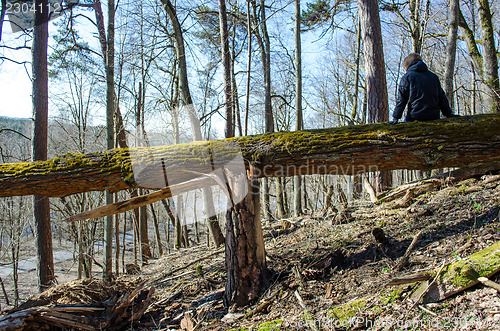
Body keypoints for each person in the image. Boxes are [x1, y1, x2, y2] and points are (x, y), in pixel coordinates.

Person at [389, 53, 457, 124]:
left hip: (415, 116)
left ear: (407, 65)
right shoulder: (433, 77)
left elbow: (401, 99)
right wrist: (448, 114)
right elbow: (442, 98)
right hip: (434, 116)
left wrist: (396, 117)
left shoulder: (407, 77)